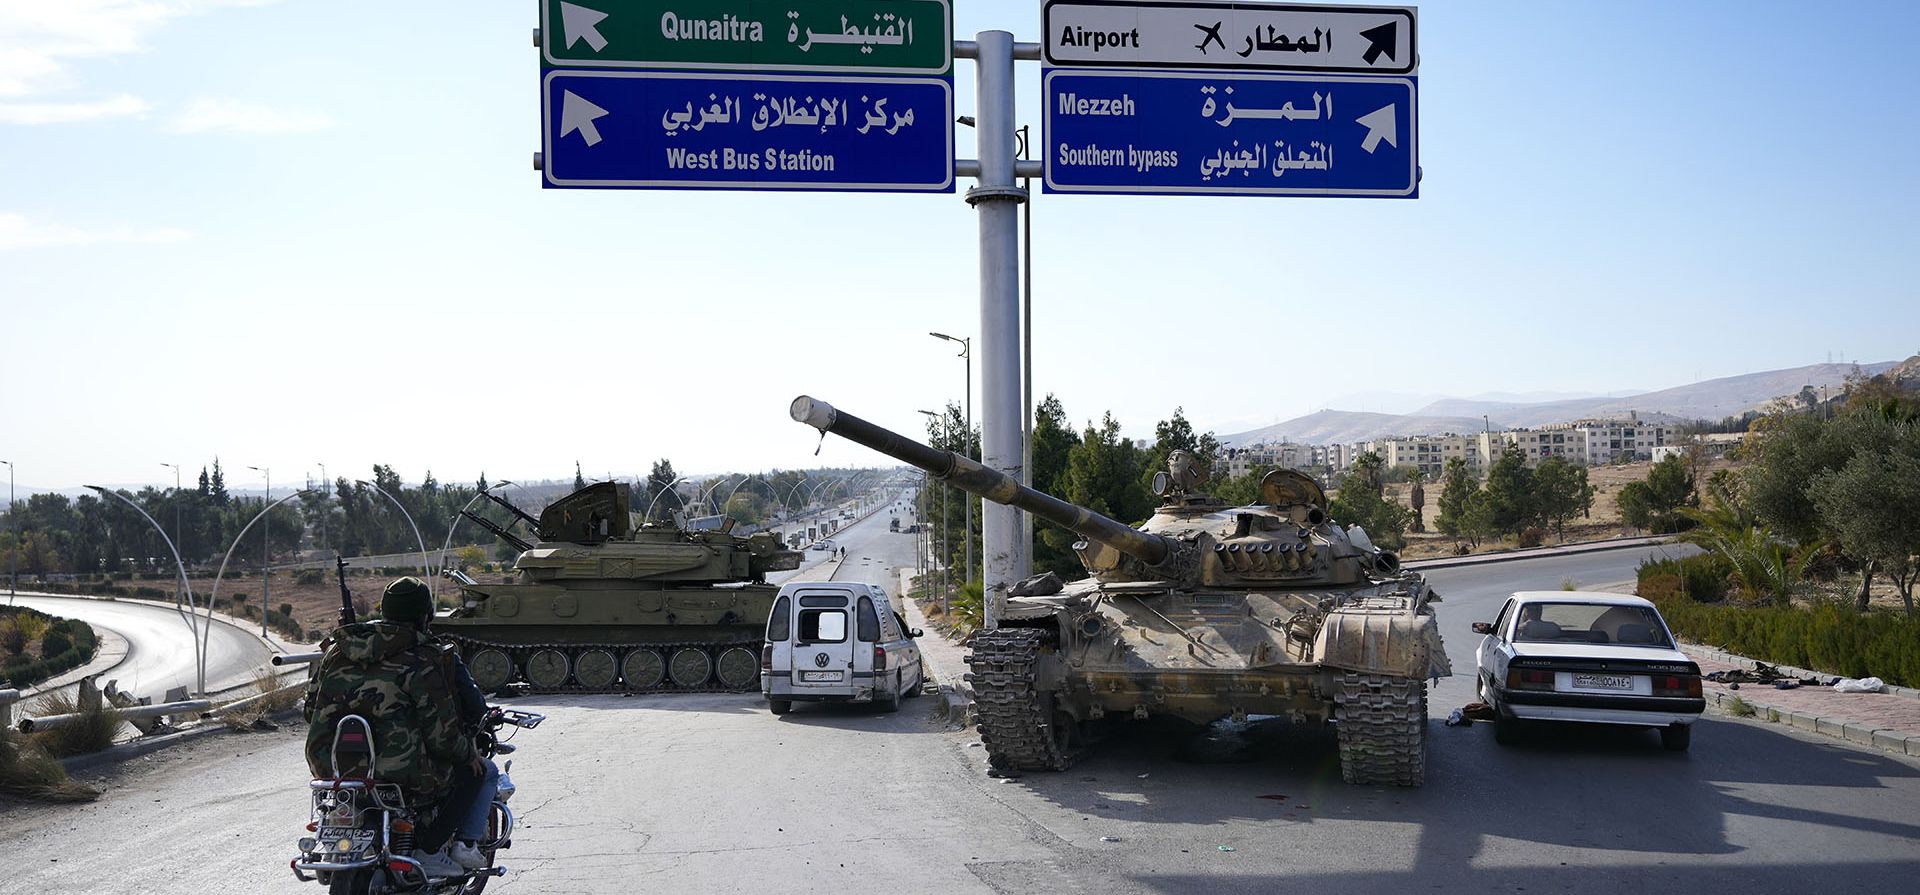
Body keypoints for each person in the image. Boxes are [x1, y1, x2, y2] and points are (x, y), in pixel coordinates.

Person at [303, 577, 496, 876]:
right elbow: (441, 736)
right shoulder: (423, 657)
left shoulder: (337, 651)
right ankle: (430, 849)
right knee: (475, 773)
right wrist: (466, 753)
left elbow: (309, 711)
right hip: (403, 773)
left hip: (333, 767)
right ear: (424, 616)